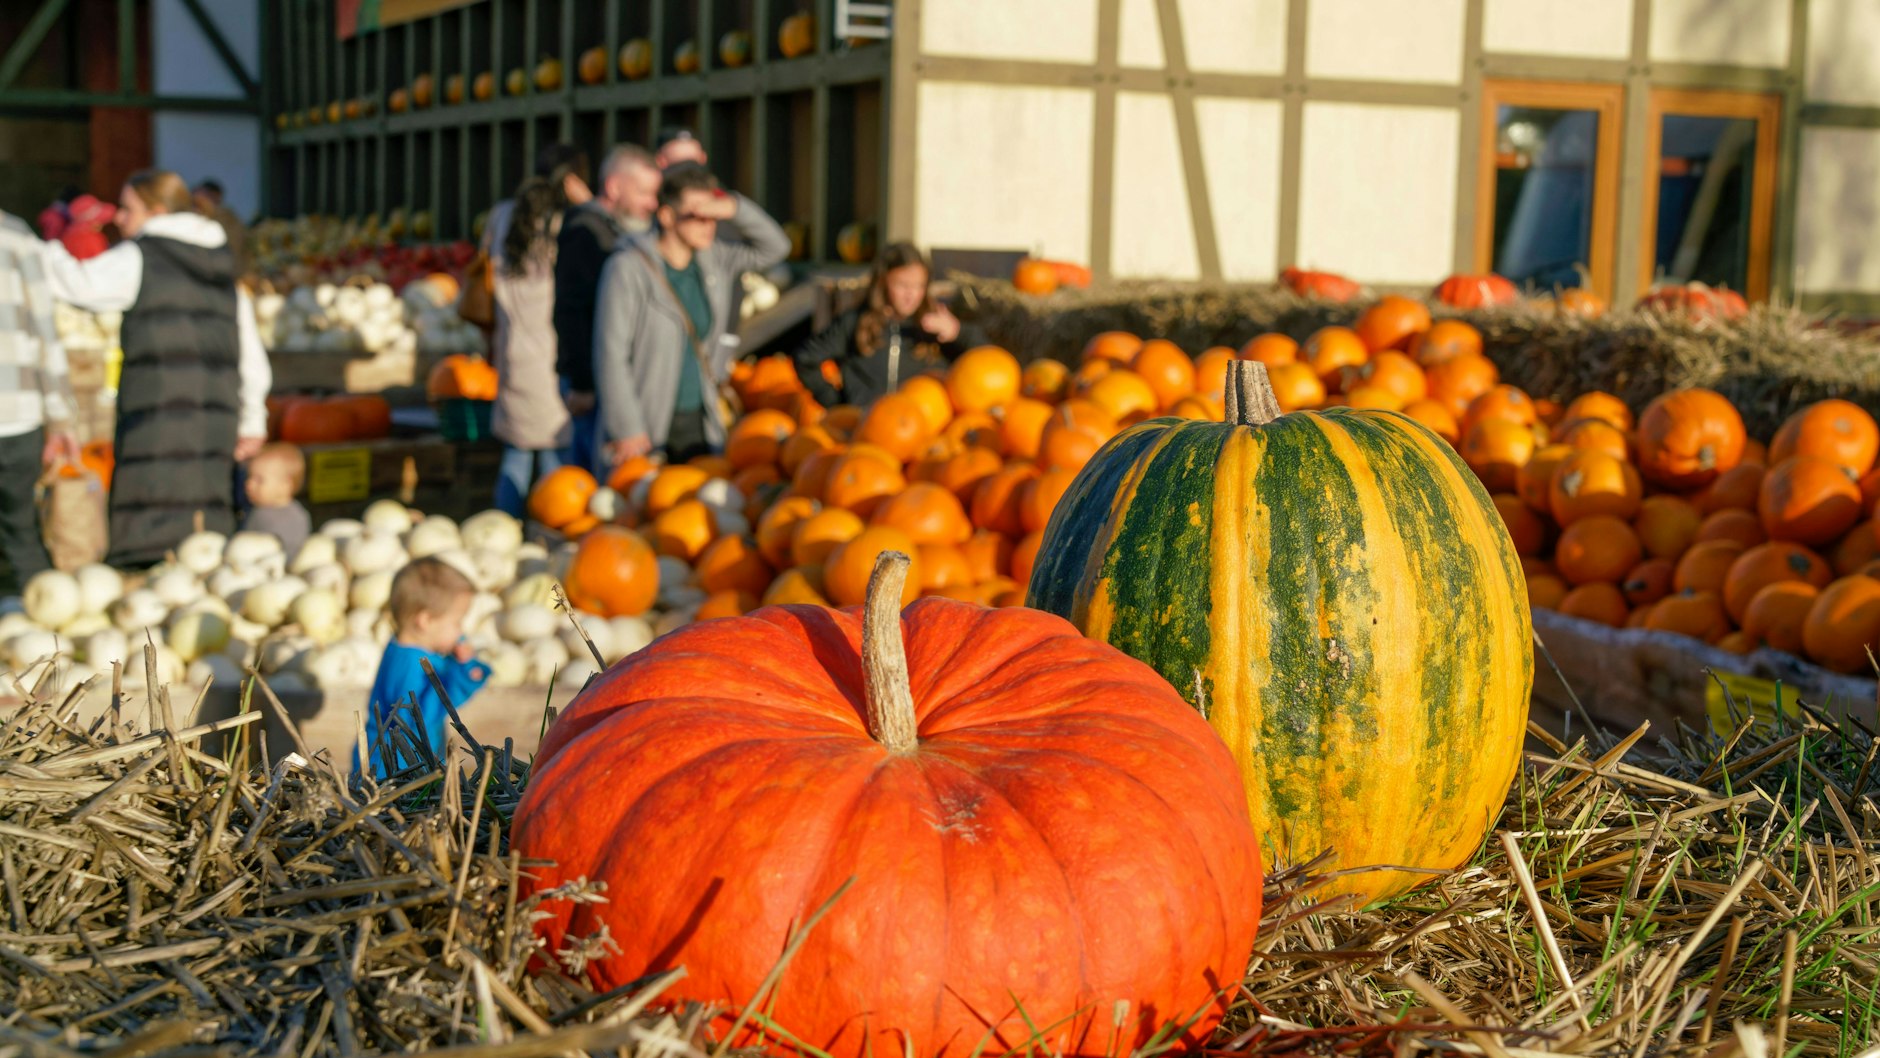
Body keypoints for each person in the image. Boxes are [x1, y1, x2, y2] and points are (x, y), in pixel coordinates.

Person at [39, 169, 272, 570]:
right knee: (204, 535)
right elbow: (251, 353)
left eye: (128, 209)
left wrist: (38, 248)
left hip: (157, 415)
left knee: (151, 530)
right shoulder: (223, 269)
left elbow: (80, 285)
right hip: (215, 422)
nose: (119, 219)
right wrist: (253, 418)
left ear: (158, 211)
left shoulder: (141, 257)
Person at [593, 162, 790, 467]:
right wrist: (627, 427)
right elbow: (610, 353)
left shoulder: (715, 260)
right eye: (698, 215)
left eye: (713, 216)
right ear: (667, 216)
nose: (708, 224)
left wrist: (734, 208)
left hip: (700, 419)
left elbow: (777, 247)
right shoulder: (628, 268)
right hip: (647, 423)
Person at [488, 148, 591, 517]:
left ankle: (504, 527)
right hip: (552, 356)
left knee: (515, 454)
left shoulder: (502, 216)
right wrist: (589, 203)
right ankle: (552, 536)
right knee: (556, 464)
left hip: (512, 353)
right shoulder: (567, 224)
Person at [554, 144, 660, 472]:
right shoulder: (586, 233)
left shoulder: (611, 229)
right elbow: (571, 310)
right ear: (614, 187)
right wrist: (583, 382)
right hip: (590, 379)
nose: (652, 204)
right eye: (643, 192)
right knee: (588, 475)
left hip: (603, 376)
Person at [792, 242, 984, 407]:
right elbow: (806, 357)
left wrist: (958, 333)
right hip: (869, 428)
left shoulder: (933, 326)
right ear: (883, 282)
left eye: (919, 286)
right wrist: (835, 402)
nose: (911, 295)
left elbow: (990, 367)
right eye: (902, 285)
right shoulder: (855, 323)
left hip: (925, 430)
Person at [0, 208, 78, 600]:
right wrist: (60, 417)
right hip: (17, 412)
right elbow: (45, 331)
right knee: (21, 529)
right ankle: (41, 638)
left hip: (18, 414)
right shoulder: (17, 236)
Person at [355, 557, 489, 782]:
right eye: (456, 623)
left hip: (403, 764)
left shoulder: (405, 649)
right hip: (395, 771)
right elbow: (423, 715)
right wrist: (463, 677)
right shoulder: (409, 666)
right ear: (425, 620)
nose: (460, 632)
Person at [240, 442, 311, 557]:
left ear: (285, 485)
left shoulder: (293, 518)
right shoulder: (257, 510)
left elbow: (285, 556)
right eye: (249, 477)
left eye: (259, 480)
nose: (249, 484)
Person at [191, 179, 249, 274]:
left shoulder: (227, 219)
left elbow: (233, 252)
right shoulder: (191, 217)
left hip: (223, 274)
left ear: (216, 197)